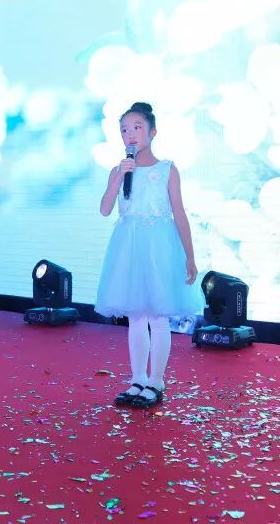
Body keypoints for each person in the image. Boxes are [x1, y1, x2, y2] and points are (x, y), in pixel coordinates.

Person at [94, 102, 202, 408]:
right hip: (128, 247)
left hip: (158, 248)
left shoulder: (167, 170)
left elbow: (179, 213)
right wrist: (118, 178)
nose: (130, 134)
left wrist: (189, 256)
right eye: (124, 130)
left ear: (152, 132)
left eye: (137, 127)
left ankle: (156, 381)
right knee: (136, 316)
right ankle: (137, 379)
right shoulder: (118, 170)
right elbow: (105, 209)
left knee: (157, 314)